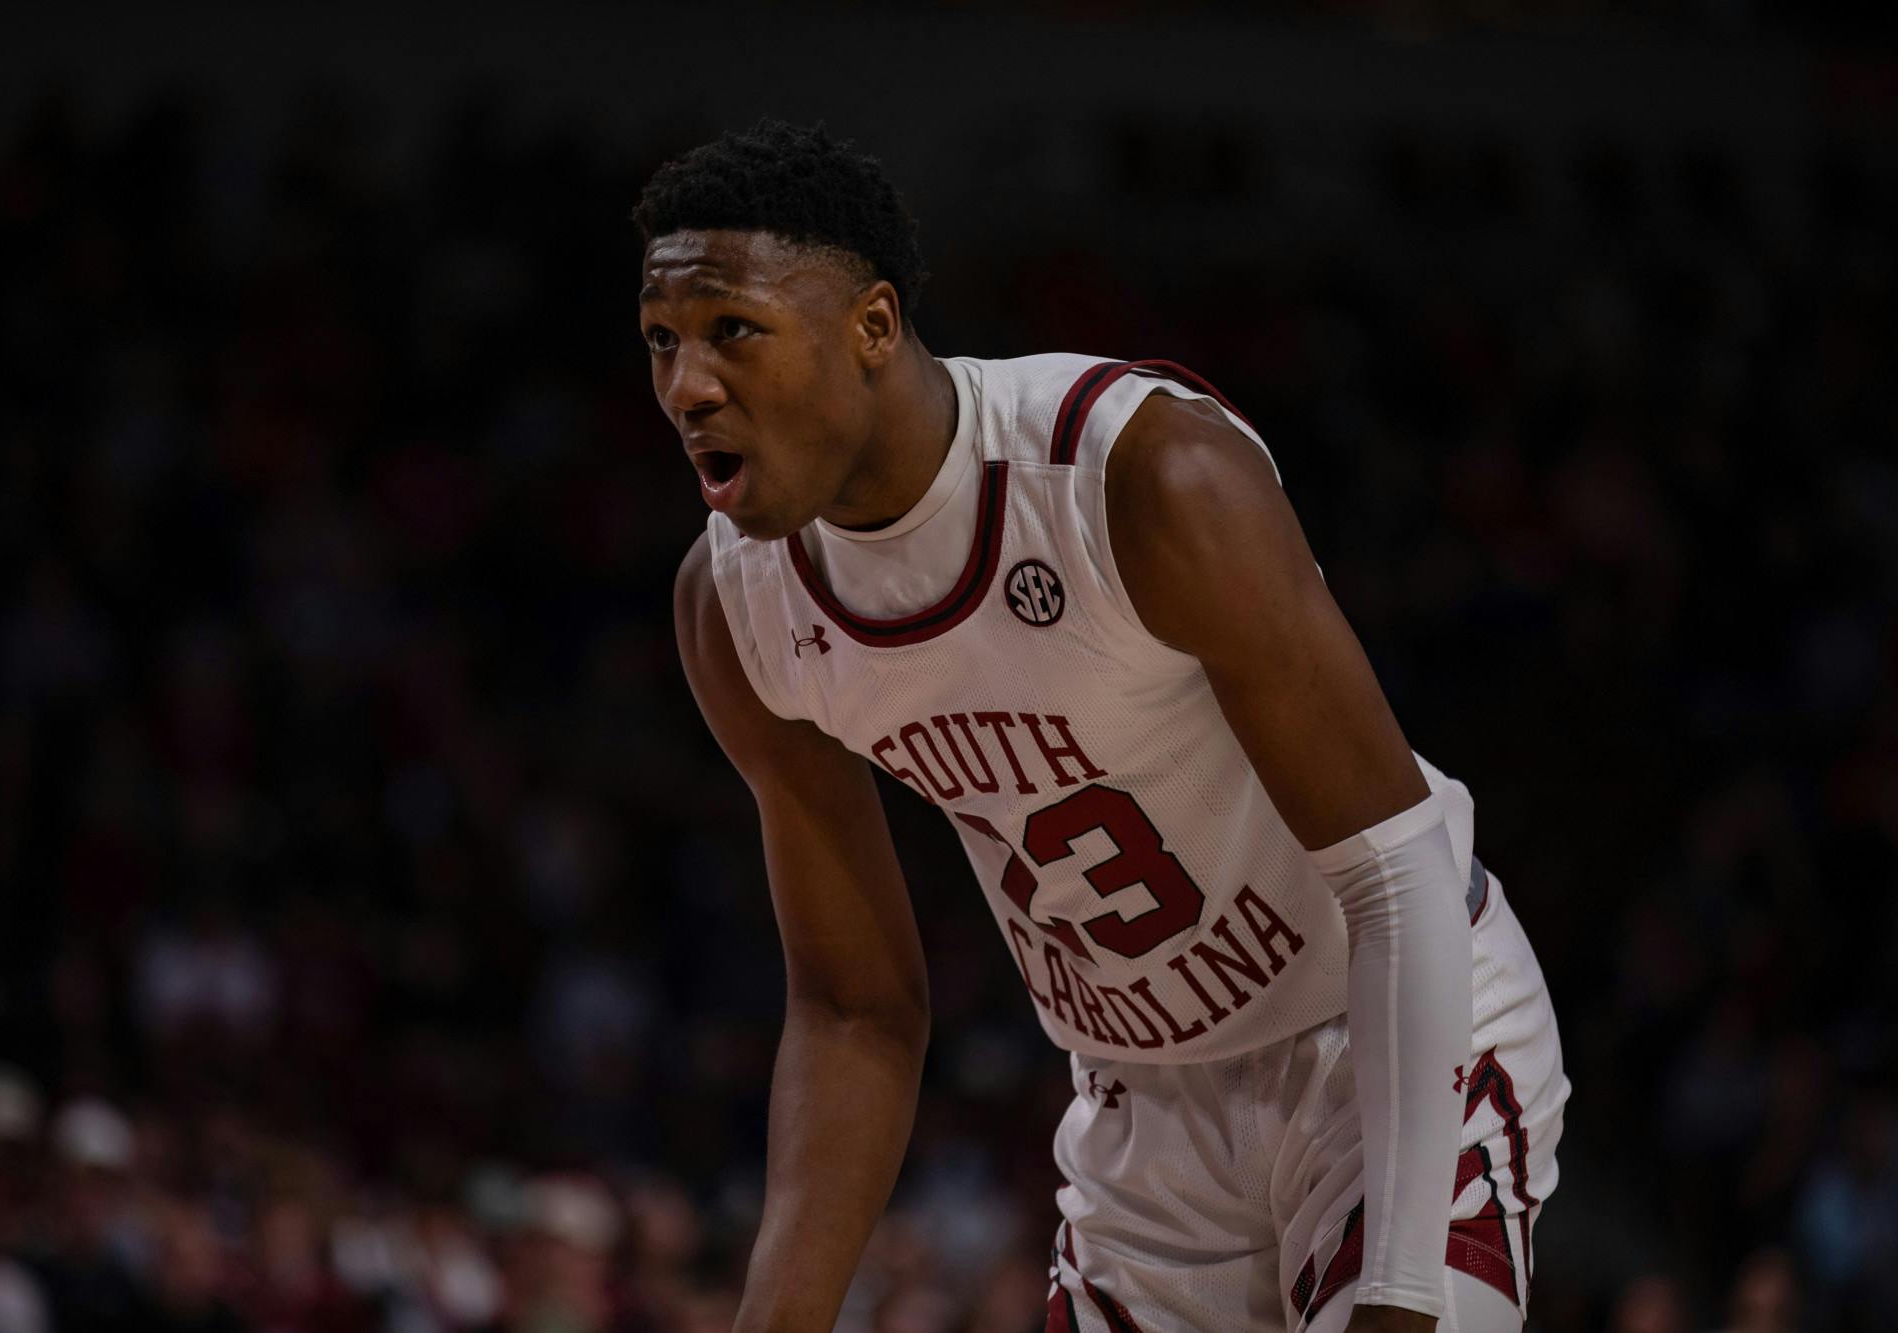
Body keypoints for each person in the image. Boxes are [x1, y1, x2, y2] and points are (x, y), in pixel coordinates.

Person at [644, 120, 1568, 1333]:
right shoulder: (736, 609)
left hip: (1382, 1032)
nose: (687, 386)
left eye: (732, 334)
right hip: (1139, 1111)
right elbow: (854, 1006)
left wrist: (1396, 1300)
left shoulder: (1135, 475)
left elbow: (1394, 874)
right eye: (661, 342)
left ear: (870, 328)